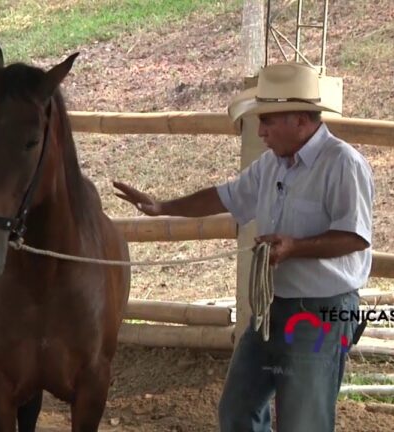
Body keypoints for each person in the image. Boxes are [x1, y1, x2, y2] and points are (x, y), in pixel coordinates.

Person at [112, 62, 374, 432]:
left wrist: (296, 247)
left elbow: (356, 237)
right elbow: (225, 197)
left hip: (320, 313)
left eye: (267, 120)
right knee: (237, 410)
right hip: (273, 309)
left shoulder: (343, 164)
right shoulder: (271, 165)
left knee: (303, 423)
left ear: (300, 119)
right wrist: (163, 207)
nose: (260, 131)